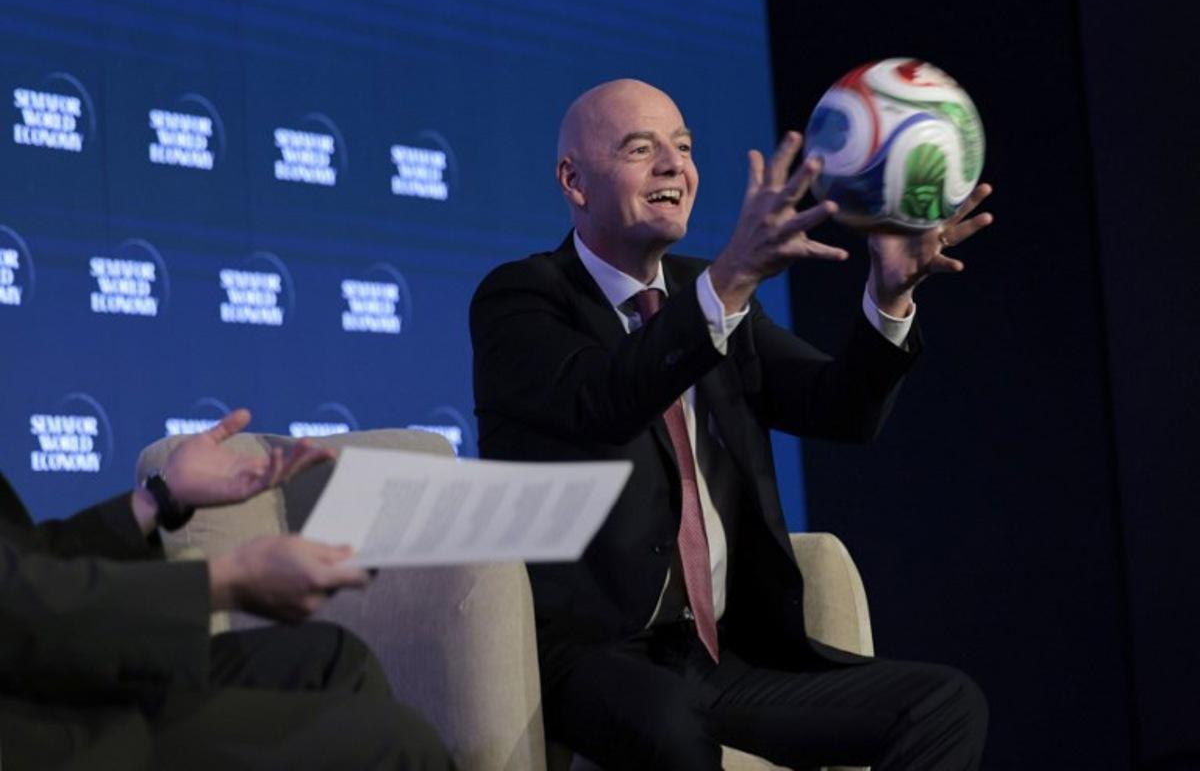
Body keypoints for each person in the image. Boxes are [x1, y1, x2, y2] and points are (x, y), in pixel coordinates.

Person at [470, 78, 994, 769]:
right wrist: (730, 282)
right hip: (591, 657)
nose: (672, 165)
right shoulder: (523, 298)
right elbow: (605, 401)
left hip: (720, 655)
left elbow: (842, 410)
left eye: (683, 147)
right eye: (640, 148)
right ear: (574, 179)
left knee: (943, 703)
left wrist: (887, 297)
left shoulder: (704, 294)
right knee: (668, 726)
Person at [0, 408, 453, 770]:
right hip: (36, 735)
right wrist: (226, 580)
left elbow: (26, 561)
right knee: (395, 744)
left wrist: (158, 499)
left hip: (51, 669)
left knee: (333, 659)